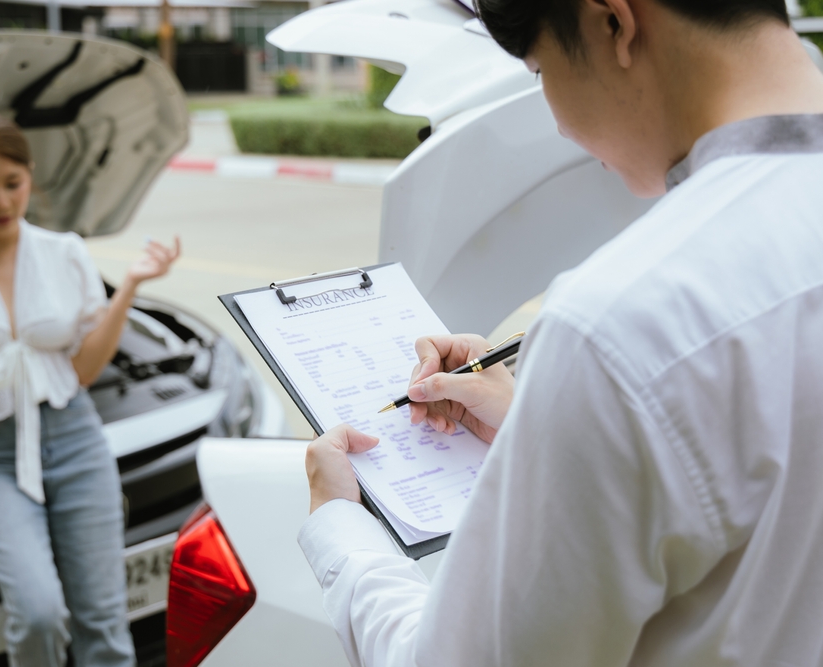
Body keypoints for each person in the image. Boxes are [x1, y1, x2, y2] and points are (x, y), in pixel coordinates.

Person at [298, 1, 823, 666]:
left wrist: (340, 531)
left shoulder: (620, 322)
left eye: (541, 68)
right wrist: (539, 420)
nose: (559, 123)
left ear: (613, 24)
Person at [0, 112, 181, 666]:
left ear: (30, 175)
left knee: (103, 617)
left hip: (73, 437)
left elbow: (82, 371)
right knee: (39, 609)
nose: (0, 201)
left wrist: (132, 287)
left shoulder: (62, 251)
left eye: (12, 183)